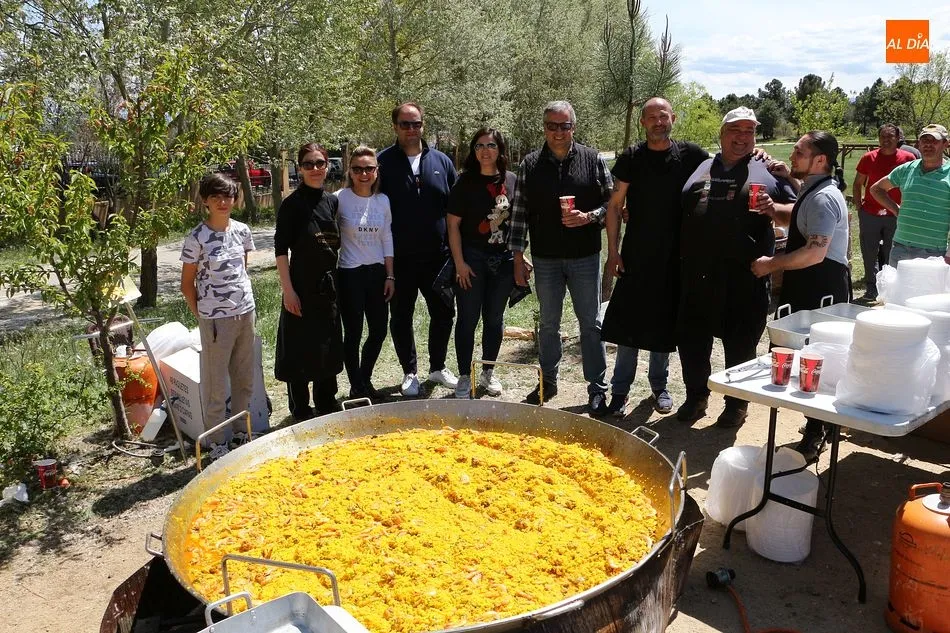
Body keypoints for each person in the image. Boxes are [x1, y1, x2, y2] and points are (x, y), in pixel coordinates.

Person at [677, 107, 797, 428]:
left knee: (741, 343)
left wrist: (774, 205)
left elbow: (797, 213)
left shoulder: (768, 170)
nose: (743, 137)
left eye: (749, 131)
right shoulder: (702, 166)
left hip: (745, 276)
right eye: (735, 130)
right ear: (722, 134)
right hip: (697, 273)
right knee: (693, 340)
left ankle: (736, 404)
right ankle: (696, 396)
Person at [751, 131, 851, 460]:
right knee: (805, 357)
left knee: (816, 359)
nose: (792, 157)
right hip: (809, 285)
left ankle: (816, 431)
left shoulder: (823, 197)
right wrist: (771, 209)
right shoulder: (812, 189)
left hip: (821, 288)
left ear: (819, 160)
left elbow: (814, 252)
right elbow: (796, 218)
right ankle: (821, 425)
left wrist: (771, 264)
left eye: (798, 152)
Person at [508, 100, 612, 413]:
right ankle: (548, 382)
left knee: (590, 324)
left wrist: (589, 216)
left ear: (573, 127)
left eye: (564, 126)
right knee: (549, 324)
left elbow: (613, 204)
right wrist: (517, 257)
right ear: (544, 128)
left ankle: (597, 388)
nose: (557, 132)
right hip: (546, 258)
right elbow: (519, 213)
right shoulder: (530, 164)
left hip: (585, 256)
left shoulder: (593, 159)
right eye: (551, 126)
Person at [377, 102, 459, 396]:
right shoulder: (382, 162)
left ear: (423, 126)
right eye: (405, 124)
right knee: (401, 316)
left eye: (416, 124)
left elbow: (455, 208)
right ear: (395, 127)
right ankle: (409, 372)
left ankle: (438, 367)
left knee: (444, 313)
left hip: (439, 257)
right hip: (399, 258)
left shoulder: (442, 161)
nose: (411, 129)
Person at [180, 173, 257, 459]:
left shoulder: (242, 231)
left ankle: (240, 432)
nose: (222, 202)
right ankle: (216, 441)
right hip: (215, 320)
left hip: (245, 312)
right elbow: (186, 284)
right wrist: (202, 314)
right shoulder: (197, 237)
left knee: (243, 377)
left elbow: (242, 269)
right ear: (205, 201)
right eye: (216, 197)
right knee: (215, 383)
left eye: (228, 196)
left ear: (235, 199)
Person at [274, 143, 343, 421]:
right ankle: (300, 409)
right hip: (300, 286)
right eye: (308, 164)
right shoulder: (291, 205)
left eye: (319, 163)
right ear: (299, 168)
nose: (315, 169)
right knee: (299, 349)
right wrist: (288, 291)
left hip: (328, 287)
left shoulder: (332, 202)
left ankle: (326, 404)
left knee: (327, 345)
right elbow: (281, 251)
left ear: (327, 166)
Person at [446, 128, 517, 399]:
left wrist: (520, 256)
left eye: (491, 145)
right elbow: (453, 225)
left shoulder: (512, 180)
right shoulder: (464, 182)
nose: (485, 151)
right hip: (472, 259)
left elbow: (517, 222)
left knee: (495, 319)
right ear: (473, 151)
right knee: (467, 318)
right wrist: (459, 263)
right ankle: (465, 375)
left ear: (500, 150)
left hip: (504, 260)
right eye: (479, 146)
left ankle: (488, 371)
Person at [335, 145, 394, 401]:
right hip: (350, 273)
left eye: (369, 168)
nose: (364, 174)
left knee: (379, 330)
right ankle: (356, 386)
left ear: (376, 171)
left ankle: (364, 377)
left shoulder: (383, 201)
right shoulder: (340, 198)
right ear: (350, 171)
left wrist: (390, 275)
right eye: (357, 169)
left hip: (378, 273)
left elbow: (387, 237)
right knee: (353, 333)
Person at [869, 124, 950, 266]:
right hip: (900, 248)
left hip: (933, 253)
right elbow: (876, 189)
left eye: (934, 141)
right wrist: (896, 209)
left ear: (945, 144)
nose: (928, 145)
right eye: (925, 140)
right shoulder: (907, 169)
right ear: (919, 144)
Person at [852, 124, 916, 301]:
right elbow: (857, 184)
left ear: (898, 138)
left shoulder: (908, 158)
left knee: (892, 252)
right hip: (870, 213)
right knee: (869, 252)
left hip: (895, 214)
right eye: (883, 137)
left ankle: (890, 289)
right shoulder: (868, 158)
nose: (886, 140)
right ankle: (871, 288)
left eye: (890, 136)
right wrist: (859, 207)